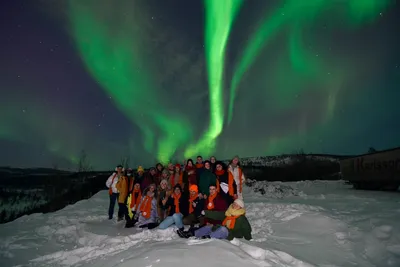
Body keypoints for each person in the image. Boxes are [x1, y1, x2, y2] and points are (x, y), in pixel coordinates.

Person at [180, 199, 252, 240]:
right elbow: (217, 214)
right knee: (210, 226)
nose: (234, 205)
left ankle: (208, 238)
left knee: (223, 229)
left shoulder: (241, 218)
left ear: (240, 207)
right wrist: (206, 213)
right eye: (234, 203)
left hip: (232, 235)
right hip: (224, 230)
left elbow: (247, 228)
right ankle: (192, 234)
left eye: (237, 205)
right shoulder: (228, 212)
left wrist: (249, 238)